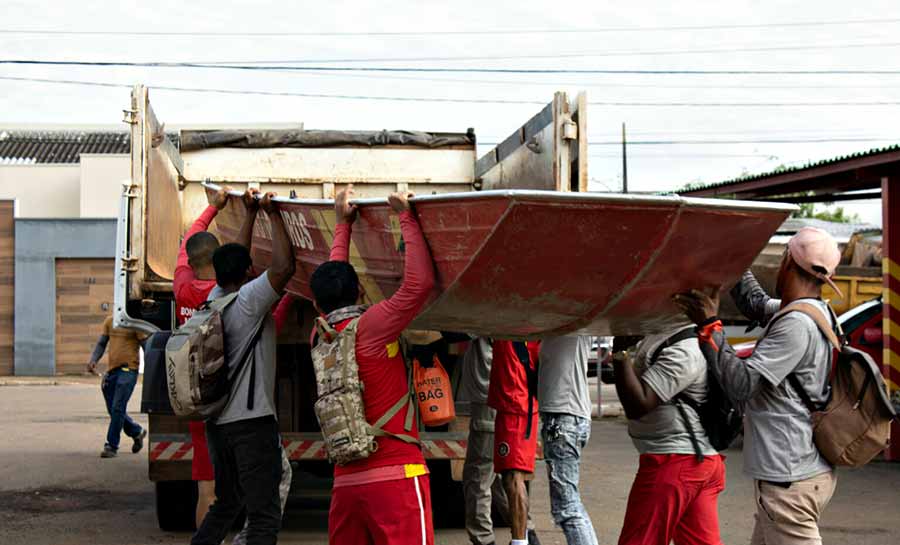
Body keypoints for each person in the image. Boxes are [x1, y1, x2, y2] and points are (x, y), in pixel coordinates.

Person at [675, 227, 841, 545]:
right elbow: (755, 303)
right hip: (798, 472)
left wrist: (709, 326)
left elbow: (740, 387)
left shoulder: (796, 324)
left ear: (787, 261)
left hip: (789, 479)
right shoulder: (813, 310)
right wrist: (732, 259)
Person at [310, 185, 435, 545]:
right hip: (397, 477)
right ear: (361, 292)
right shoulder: (375, 326)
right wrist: (406, 217)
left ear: (318, 307)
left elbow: (333, 280)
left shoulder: (320, 338)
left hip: (346, 486)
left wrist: (341, 226)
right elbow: (420, 284)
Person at [191, 191, 295, 545]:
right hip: (251, 427)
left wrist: (249, 215)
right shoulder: (250, 301)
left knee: (227, 503)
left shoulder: (213, 298)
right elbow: (284, 269)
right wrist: (275, 214)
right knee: (264, 516)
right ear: (249, 272)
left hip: (217, 426)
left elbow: (235, 258)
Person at [612, 328, 726, 545]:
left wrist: (619, 353)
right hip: (696, 461)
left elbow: (639, 405)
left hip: (676, 462)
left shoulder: (684, 349)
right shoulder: (663, 335)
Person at [174, 187, 227, 528]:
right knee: (242, 482)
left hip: (196, 395)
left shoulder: (182, 287)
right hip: (229, 396)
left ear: (192, 265)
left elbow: (186, 244)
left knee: (206, 487)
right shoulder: (229, 295)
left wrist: (211, 208)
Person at [455, 337, 538, 545]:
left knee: (478, 475)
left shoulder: (487, 311)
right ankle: (527, 534)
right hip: (506, 397)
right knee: (502, 474)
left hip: (493, 398)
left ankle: (484, 539)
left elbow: (452, 331)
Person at [537, 336, 598, 545]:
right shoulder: (562, 329)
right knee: (568, 505)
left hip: (563, 418)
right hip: (565, 417)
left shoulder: (575, 326)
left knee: (567, 508)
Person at [488, 339, 540, 545]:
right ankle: (521, 539)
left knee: (513, 477)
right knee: (509, 477)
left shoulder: (519, 324)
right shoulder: (512, 326)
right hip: (512, 405)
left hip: (516, 408)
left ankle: (520, 542)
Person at [88, 315, 149, 458]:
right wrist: (93, 360)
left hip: (128, 371)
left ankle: (111, 445)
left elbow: (146, 346)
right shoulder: (109, 321)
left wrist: (152, 367)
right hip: (112, 372)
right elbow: (102, 343)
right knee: (114, 410)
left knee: (117, 408)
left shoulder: (135, 323)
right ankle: (136, 432)